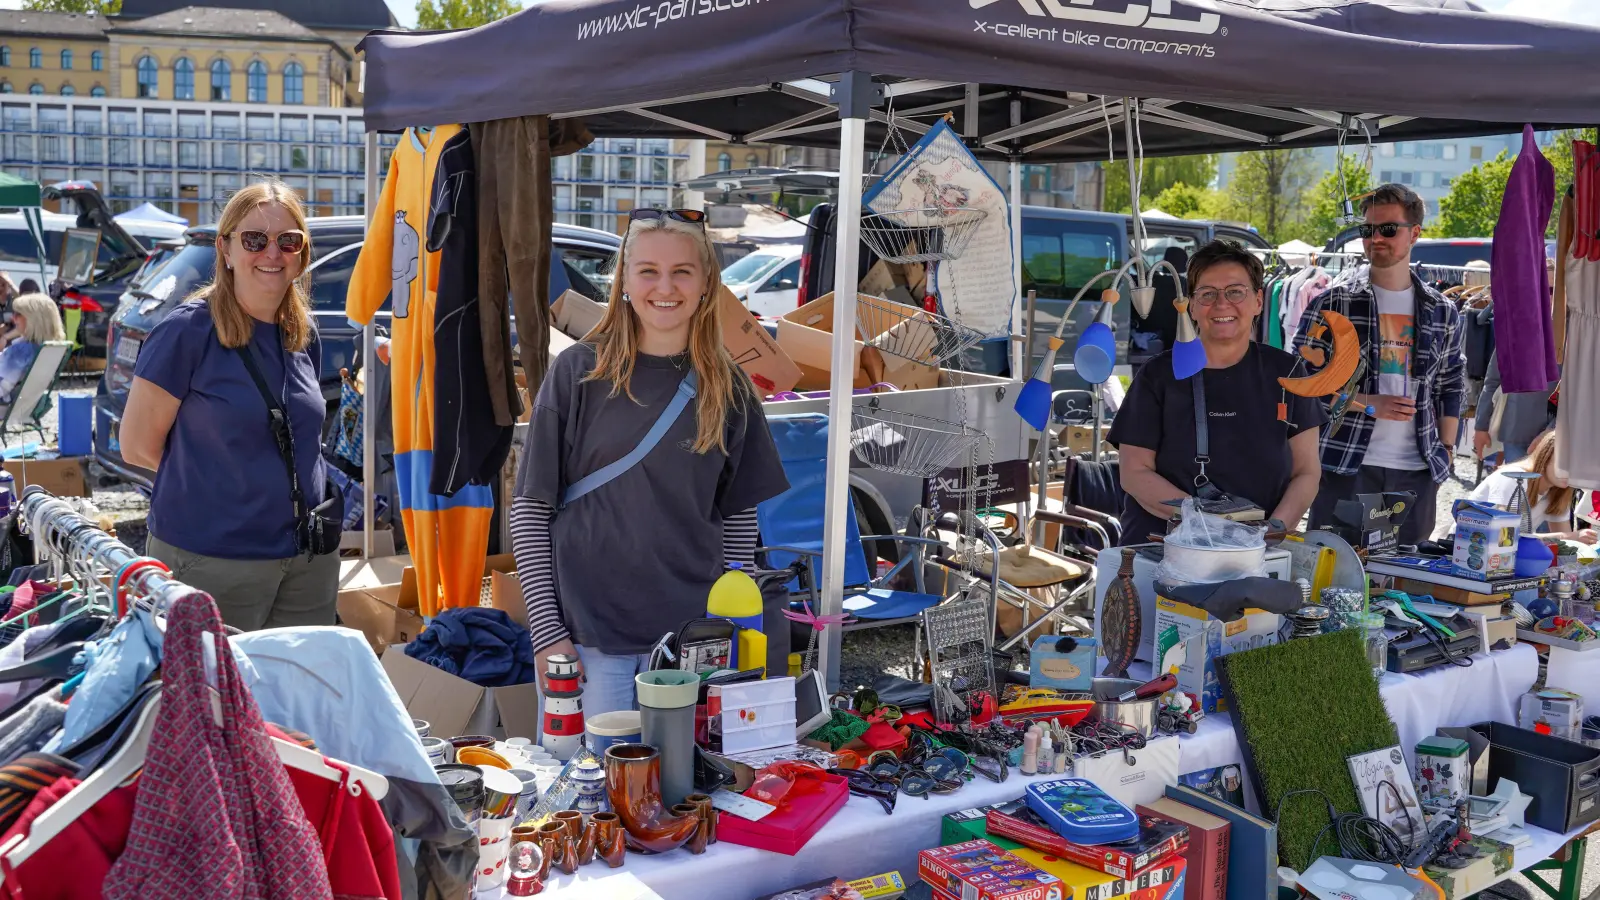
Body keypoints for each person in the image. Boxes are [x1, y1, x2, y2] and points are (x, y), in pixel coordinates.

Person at [511, 208, 790, 716]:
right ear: (624, 280)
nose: (666, 286)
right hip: (590, 639)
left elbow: (737, 515)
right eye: (648, 271)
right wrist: (547, 634)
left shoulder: (729, 387)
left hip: (693, 641)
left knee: (687, 786)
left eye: (683, 271)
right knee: (592, 783)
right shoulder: (579, 372)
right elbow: (530, 511)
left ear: (707, 283)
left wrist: (728, 622)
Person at [120, 180, 336, 631]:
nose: (272, 253)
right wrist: (224, 493)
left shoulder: (302, 335)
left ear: (302, 255)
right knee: (212, 698)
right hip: (212, 561)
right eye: (254, 239)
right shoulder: (187, 332)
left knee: (294, 699)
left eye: (288, 241)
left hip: (305, 561)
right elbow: (137, 446)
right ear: (226, 249)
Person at [1109, 240, 1327, 544]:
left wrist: (1274, 530)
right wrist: (1209, 527)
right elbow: (1134, 473)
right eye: (1207, 294)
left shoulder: (1289, 373)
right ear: (1191, 306)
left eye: (1236, 292)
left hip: (1255, 554)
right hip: (1161, 552)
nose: (1222, 304)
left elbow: (1306, 473)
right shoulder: (1158, 376)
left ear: (1258, 301)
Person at [1299, 184, 1467, 546]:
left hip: (1417, 471)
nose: (1376, 238)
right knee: (1329, 573)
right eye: (1368, 230)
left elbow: (1451, 383)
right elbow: (1303, 383)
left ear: (1415, 234)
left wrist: (1448, 450)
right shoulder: (1334, 303)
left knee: (1405, 580)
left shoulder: (1442, 310)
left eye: (1388, 229)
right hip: (1344, 464)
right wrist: (1368, 403)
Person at [1440, 431, 1596, 544]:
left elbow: (1563, 544)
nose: (1568, 471)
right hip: (1466, 547)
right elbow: (1503, 536)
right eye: (1563, 463)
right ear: (1545, 455)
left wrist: (1573, 539)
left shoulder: (1559, 491)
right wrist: (1568, 537)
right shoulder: (1513, 477)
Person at [1472, 349, 1556, 466]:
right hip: (1515, 431)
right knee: (1516, 483)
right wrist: (1481, 426)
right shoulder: (1513, 331)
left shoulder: (1573, 333)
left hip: (1555, 435)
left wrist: (1554, 429)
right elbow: (1493, 380)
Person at [0, 292, 64, 405]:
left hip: (4, 406)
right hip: (26, 407)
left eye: (18, 314)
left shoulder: (20, 351)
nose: (13, 318)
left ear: (33, 319)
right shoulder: (46, 348)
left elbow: (2, 388)